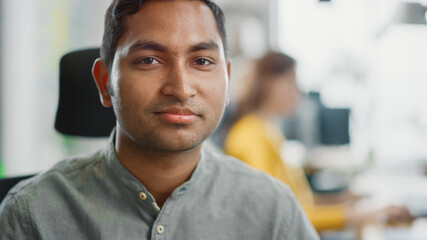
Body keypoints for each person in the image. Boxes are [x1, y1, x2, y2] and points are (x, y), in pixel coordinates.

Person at [0, 1, 319, 239]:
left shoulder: (273, 211)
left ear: (227, 80)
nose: (180, 89)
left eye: (202, 60)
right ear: (104, 82)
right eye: (149, 60)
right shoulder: (32, 216)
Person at [224, 52, 413, 231]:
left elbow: (297, 202)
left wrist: (342, 199)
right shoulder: (252, 136)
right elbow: (282, 214)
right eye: (293, 83)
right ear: (271, 83)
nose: (298, 92)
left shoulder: (265, 131)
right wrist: (365, 214)